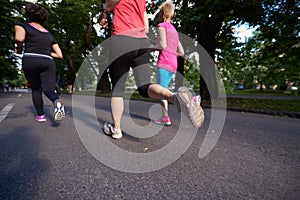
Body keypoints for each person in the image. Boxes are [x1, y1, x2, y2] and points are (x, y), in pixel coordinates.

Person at [98, 0, 204, 139]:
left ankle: (116, 129)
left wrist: (105, 11)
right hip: (142, 42)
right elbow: (146, 26)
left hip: (122, 39)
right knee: (144, 87)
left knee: (118, 89)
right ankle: (175, 98)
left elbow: (109, 5)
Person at [14, 3, 65, 122]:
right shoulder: (49, 34)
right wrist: (46, 52)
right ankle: (56, 101)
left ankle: (41, 116)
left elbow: (19, 39)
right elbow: (59, 54)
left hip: (30, 59)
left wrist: (17, 47)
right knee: (49, 89)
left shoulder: (22, 25)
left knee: (36, 89)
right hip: (47, 61)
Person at [152, 1, 184, 126]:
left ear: (164, 14)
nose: (159, 16)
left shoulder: (162, 26)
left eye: (160, 13)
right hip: (173, 64)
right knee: (163, 89)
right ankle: (165, 116)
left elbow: (162, 45)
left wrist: (149, 47)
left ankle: (188, 100)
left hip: (164, 63)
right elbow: (181, 52)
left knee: (161, 91)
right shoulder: (174, 30)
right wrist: (171, 53)